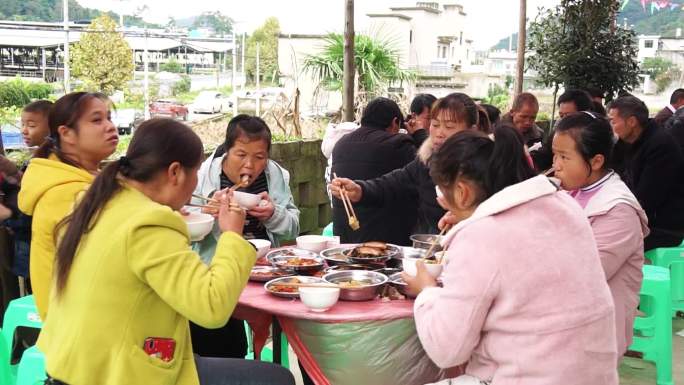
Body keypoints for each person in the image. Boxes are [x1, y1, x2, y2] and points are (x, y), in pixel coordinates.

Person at [36, 118, 294, 385]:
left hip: (74, 365)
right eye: (194, 173)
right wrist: (231, 234)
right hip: (116, 372)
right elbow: (212, 307)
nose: (195, 184)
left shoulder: (97, 202)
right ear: (174, 173)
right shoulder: (149, 222)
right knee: (276, 378)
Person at [405, 126, 618, 385]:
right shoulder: (565, 206)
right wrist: (472, 217)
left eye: (443, 195)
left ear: (463, 193)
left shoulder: (481, 236)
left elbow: (447, 350)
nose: (443, 203)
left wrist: (426, 291)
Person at [191, 114, 299, 359]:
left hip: (266, 271)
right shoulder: (202, 178)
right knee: (225, 346)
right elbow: (185, 233)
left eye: (259, 157)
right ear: (227, 151)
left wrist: (273, 214)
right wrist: (206, 216)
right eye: (241, 155)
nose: (250, 165)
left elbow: (293, 226)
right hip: (216, 271)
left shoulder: (276, 176)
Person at [552, 111, 648, 359]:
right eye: (555, 154)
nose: (556, 165)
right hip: (560, 324)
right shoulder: (571, 190)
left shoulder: (618, 211)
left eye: (564, 157)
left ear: (595, 161)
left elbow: (583, 275)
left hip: (593, 335)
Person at [18, 92, 119, 319]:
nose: (110, 127)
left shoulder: (86, 177)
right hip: (79, 327)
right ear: (66, 133)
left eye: (109, 118)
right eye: (97, 120)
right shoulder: (67, 192)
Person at [330, 93, 479, 235]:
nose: (439, 133)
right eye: (435, 124)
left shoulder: (486, 166)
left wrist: (467, 217)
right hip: (428, 247)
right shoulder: (426, 162)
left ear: (472, 130)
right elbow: (392, 183)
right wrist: (360, 190)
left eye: (449, 127)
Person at [331, 97, 419, 245]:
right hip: (385, 241)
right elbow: (425, 169)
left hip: (344, 234)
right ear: (394, 122)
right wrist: (418, 134)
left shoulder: (340, 144)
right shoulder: (398, 144)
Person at [608, 96, 684, 250]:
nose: (611, 127)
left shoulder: (660, 145)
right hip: (634, 215)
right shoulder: (626, 141)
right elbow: (610, 174)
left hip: (662, 226)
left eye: (613, 121)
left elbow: (646, 198)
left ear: (632, 122)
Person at [3, 100, 53, 283]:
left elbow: (31, 199)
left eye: (31, 125)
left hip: (34, 244)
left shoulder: (47, 161)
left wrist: (9, 215)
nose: (24, 130)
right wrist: (12, 171)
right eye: (23, 124)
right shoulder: (38, 157)